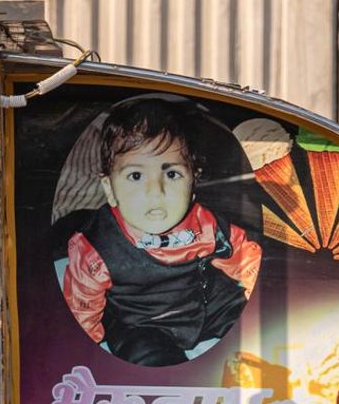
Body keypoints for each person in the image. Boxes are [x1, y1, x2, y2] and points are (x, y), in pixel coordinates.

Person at [61, 96, 262, 367]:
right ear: (109, 188)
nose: (155, 191)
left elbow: (246, 256)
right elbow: (80, 308)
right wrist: (83, 351)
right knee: (145, 354)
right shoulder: (95, 246)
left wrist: (259, 293)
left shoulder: (205, 222)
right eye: (135, 176)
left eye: (171, 174)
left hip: (213, 308)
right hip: (144, 323)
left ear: (193, 182)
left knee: (255, 329)